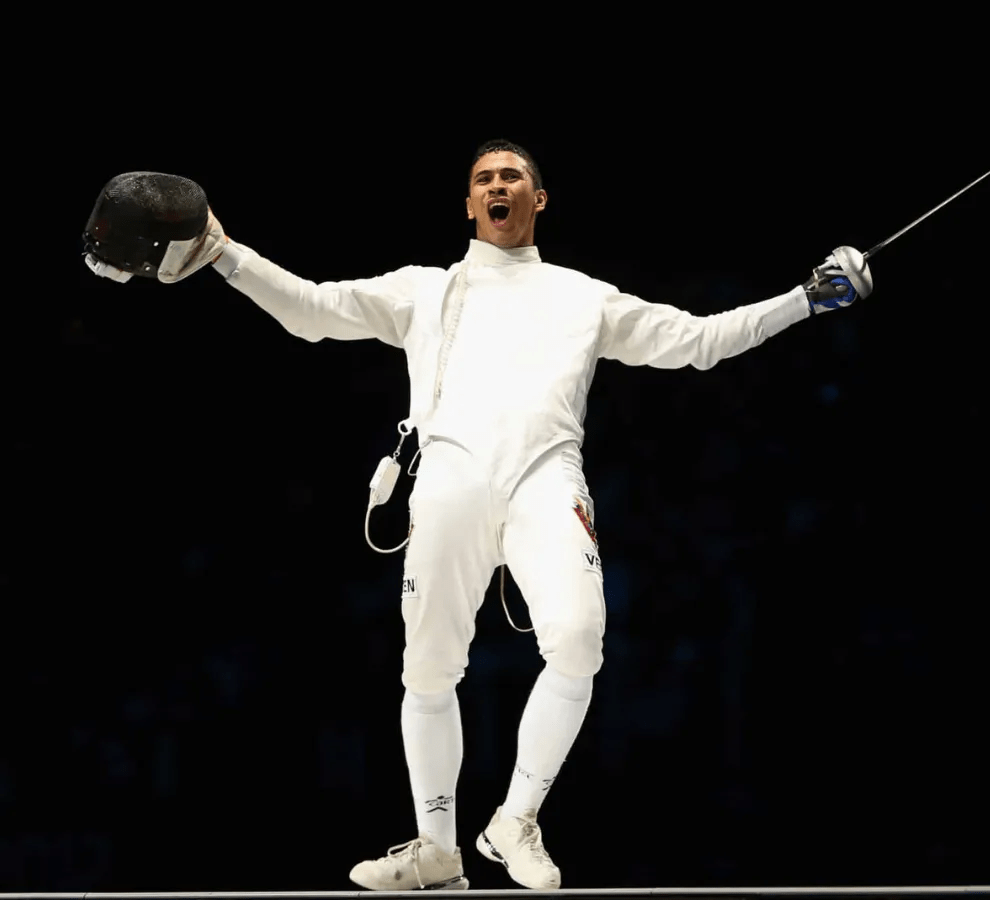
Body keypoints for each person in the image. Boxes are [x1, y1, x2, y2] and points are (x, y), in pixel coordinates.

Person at [83, 140, 871, 890]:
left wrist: (803, 301)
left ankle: (516, 821)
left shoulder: (584, 297)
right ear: (468, 203)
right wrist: (226, 254)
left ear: (539, 198)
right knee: (426, 667)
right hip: (449, 480)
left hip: (545, 479)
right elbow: (313, 311)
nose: (498, 186)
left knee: (579, 636)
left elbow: (699, 342)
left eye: (512, 177)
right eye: (485, 178)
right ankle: (435, 848)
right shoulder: (426, 289)